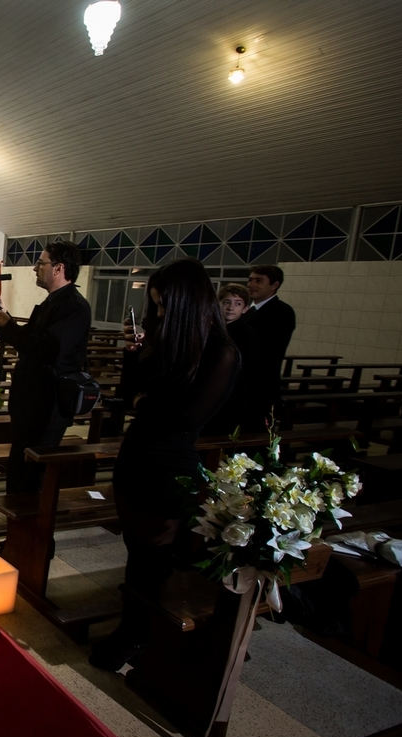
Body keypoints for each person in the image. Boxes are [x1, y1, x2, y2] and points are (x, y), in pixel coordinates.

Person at [90, 259, 239, 671]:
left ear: (186, 304)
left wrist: (145, 402)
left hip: (169, 469)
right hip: (135, 458)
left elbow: (185, 417)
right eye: (155, 305)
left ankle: (136, 635)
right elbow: (128, 396)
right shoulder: (168, 343)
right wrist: (133, 356)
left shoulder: (221, 352)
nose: (158, 314)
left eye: (163, 306)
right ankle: (135, 630)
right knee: (135, 551)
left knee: (152, 560)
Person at [0, 241, 92, 494]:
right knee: (20, 463)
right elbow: (29, 342)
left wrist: (9, 327)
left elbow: (47, 350)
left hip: (48, 402)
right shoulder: (52, 302)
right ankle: (17, 517)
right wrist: (5, 323)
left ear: (58, 268)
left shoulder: (74, 307)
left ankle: (30, 518)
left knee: (33, 470)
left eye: (41, 263)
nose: (35, 268)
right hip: (32, 400)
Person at [204, 283, 266, 436]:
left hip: (231, 396)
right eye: (226, 302)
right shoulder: (209, 330)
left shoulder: (248, 335)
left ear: (245, 309)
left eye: (237, 304)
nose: (231, 308)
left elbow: (247, 370)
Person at [245, 264, 296, 414]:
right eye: (250, 280)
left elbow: (267, 349)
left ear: (275, 285)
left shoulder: (282, 311)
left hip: (261, 384)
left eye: (258, 281)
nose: (251, 285)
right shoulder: (247, 311)